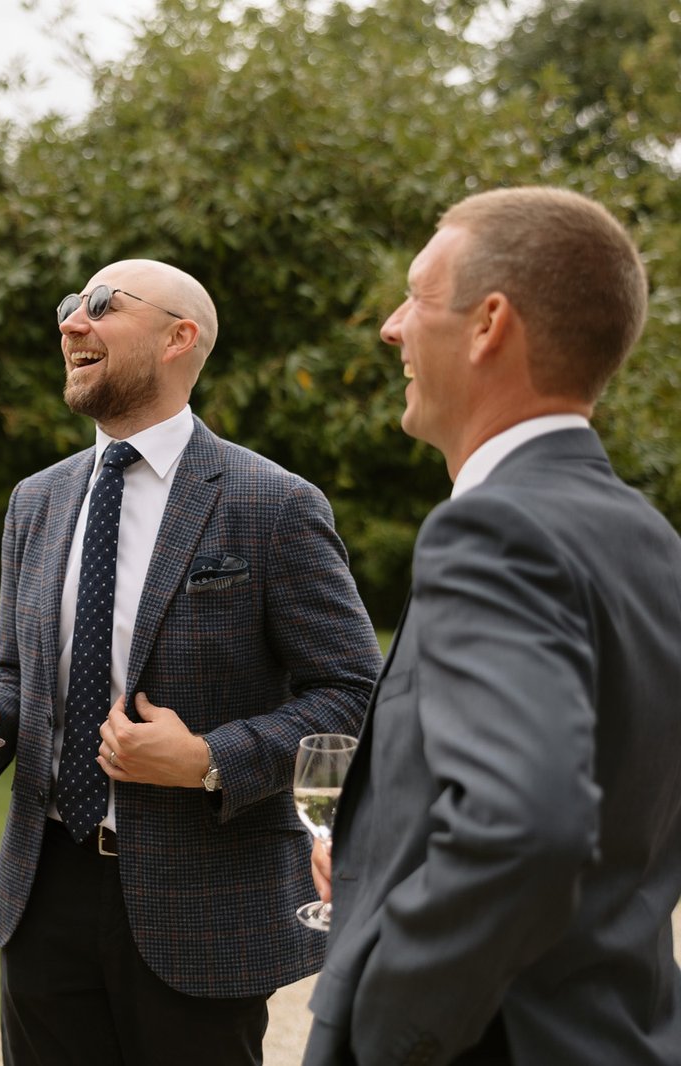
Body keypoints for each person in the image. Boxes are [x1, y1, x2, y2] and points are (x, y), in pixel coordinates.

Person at [0, 259, 382, 1064]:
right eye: (71, 306)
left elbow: (353, 693)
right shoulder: (34, 500)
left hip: (203, 908)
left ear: (182, 338)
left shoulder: (272, 503)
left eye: (102, 306)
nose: (72, 323)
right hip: (43, 895)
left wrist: (211, 759)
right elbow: (18, 673)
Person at [303, 187, 681, 1065]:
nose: (392, 328)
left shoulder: (494, 529)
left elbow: (527, 825)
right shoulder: (650, 539)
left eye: (416, 297)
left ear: (489, 325)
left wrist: (388, 1025)